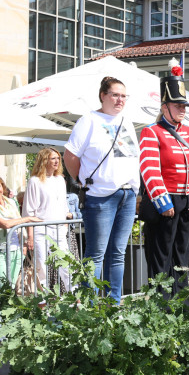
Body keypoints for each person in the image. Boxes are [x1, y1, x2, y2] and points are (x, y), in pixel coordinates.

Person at [64, 76, 140, 304]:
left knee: (118, 253)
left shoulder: (126, 121)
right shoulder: (89, 120)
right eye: (115, 95)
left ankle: (113, 304)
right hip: (100, 196)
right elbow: (70, 156)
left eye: (124, 96)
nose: (120, 100)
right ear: (102, 96)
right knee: (96, 254)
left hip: (127, 193)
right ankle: (88, 305)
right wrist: (82, 180)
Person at [139, 75, 189, 296]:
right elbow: (149, 168)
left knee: (182, 253)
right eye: (178, 105)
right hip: (166, 202)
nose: (182, 109)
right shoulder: (152, 131)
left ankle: (183, 299)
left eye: (184, 105)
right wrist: (162, 200)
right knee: (161, 255)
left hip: (187, 201)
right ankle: (162, 302)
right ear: (165, 107)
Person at [0, 172, 41, 342]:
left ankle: (2, 328)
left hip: (16, 249)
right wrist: (27, 218)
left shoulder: (11, 202)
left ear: (3, 186)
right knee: (3, 290)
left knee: (10, 289)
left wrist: (26, 243)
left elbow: (17, 225)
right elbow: (4, 224)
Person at [23, 148, 71, 291]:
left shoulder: (60, 180)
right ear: (44, 161)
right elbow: (29, 210)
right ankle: (42, 300)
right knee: (41, 266)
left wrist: (65, 226)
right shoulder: (35, 181)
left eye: (58, 158)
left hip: (58, 228)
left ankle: (74, 295)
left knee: (66, 264)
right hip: (40, 229)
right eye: (52, 158)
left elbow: (63, 205)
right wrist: (30, 235)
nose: (56, 161)